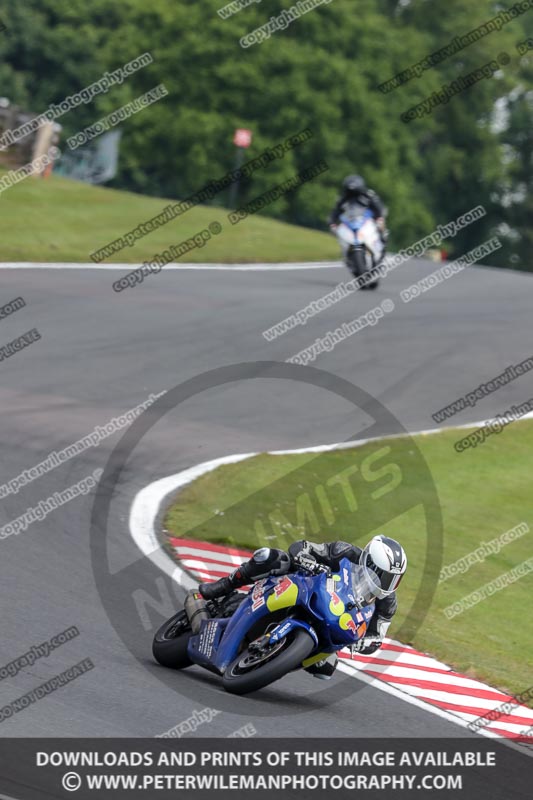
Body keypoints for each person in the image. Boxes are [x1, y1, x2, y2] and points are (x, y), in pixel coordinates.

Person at [199, 535, 407, 680]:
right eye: (383, 575)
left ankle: (276, 659)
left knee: (326, 668)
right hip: (307, 588)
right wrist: (305, 558)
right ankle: (224, 585)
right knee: (272, 558)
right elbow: (304, 547)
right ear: (368, 561)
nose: (386, 583)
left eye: (393, 579)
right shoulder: (344, 552)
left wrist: (364, 644)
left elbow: (377, 637)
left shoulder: (387, 603)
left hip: (333, 621)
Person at [329, 174, 388, 244]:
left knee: (380, 222)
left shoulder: (368, 195)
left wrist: (379, 218)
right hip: (351, 222)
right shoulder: (343, 198)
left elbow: (379, 208)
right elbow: (336, 211)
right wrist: (332, 223)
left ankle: (382, 235)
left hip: (368, 221)